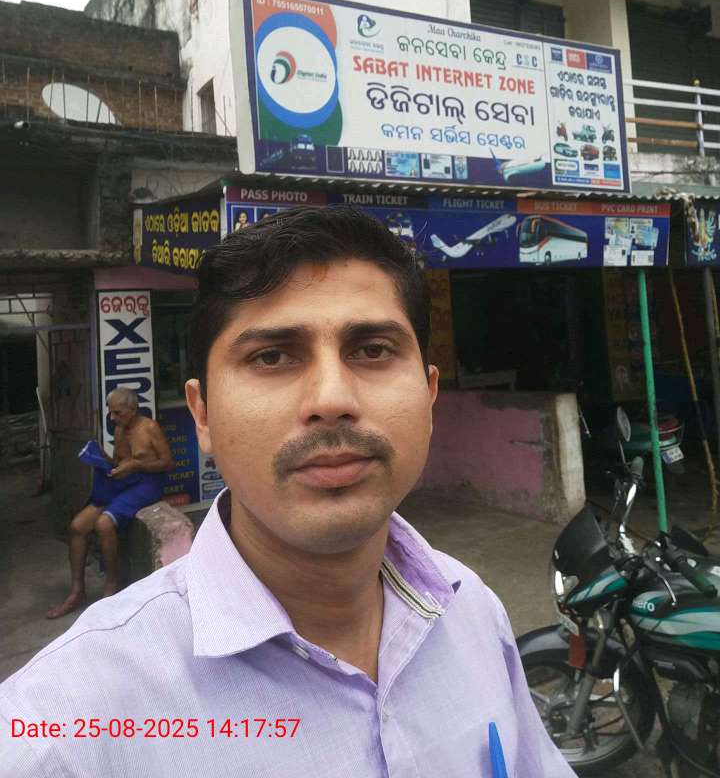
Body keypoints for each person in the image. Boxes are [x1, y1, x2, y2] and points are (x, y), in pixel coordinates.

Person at [0, 206, 574, 776]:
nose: (332, 398)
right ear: (203, 415)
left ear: (428, 397)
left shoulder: (472, 611)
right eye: (271, 356)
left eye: (373, 349)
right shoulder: (65, 730)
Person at [45, 387, 174, 619]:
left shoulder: (150, 428)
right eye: (110, 412)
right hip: (123, 483)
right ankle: (77, 591)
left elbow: (167, 463)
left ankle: (112, 587)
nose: (112, 418)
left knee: (104, 524)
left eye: (117, 412)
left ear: (132, 410)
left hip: (147, 484)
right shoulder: (119, 429)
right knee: (77, 526)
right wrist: (102, 459)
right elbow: (118, 461)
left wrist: (136, 465)